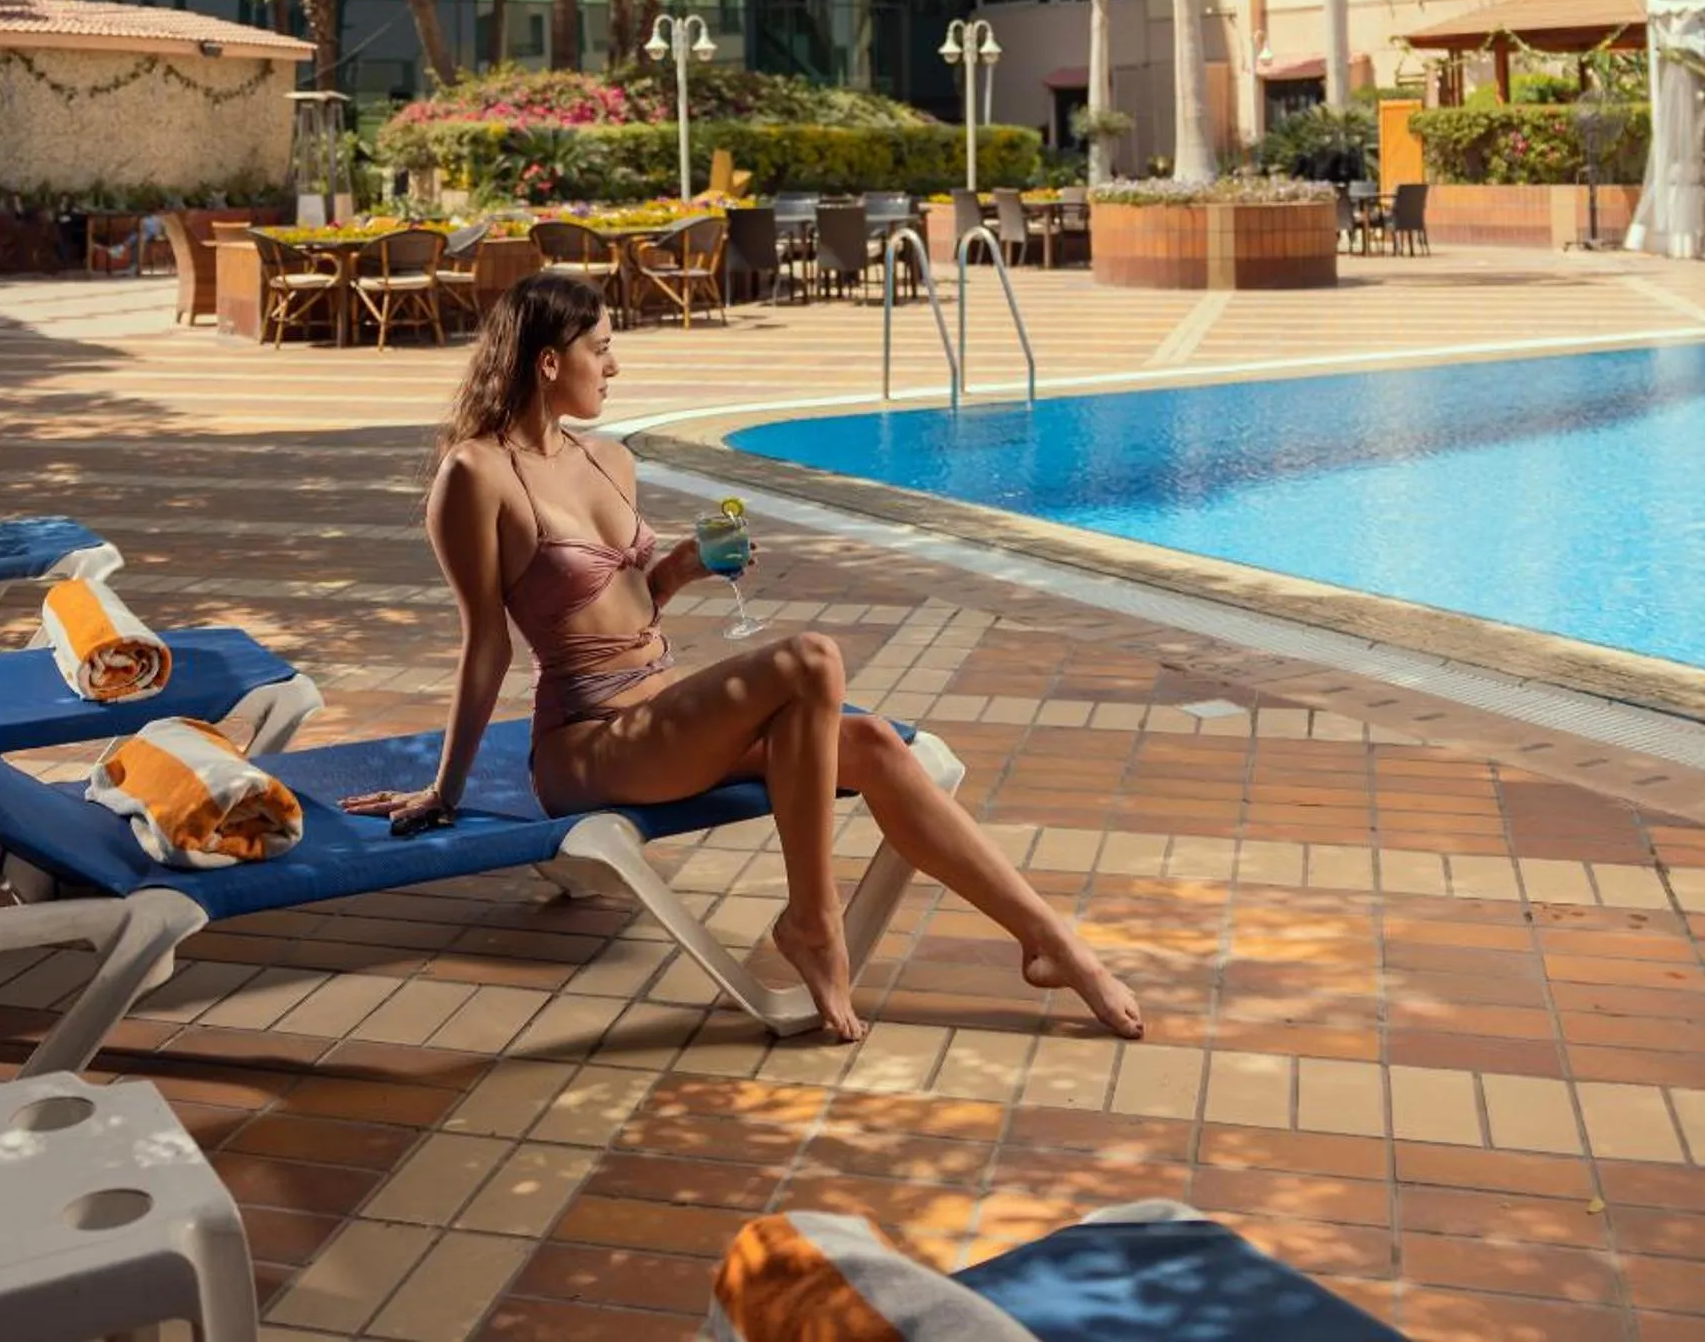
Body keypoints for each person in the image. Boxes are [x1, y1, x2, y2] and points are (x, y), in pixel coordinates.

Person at [344, 273, 1142, 1044]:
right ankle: (814, 922)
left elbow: (627, 604)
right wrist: (445, 789)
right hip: (589, 743)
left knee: (872, 745)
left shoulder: (605, 458)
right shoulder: (474, 475)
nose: (615, 366)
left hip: (662, 711)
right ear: (549, 362)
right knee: (810, 660)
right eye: (602, 349)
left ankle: (1050, 943)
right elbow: (485, 642)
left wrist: (682, 568)